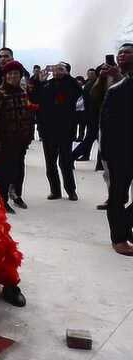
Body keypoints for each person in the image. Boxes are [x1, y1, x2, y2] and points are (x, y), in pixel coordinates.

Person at [0, 61, 34, 213]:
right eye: (10, 74)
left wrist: (27, 136)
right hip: (3, 140)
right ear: (5, 76)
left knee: (15, 170)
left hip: (18, 140)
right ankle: (0, 200)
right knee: (1, 172)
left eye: (16, 74)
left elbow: (26, 115)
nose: (13, 76)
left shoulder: (22, 92)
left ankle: (13, 196)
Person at [99, 43, 133, 256]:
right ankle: (119, 238)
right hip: (120, 152)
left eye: (126, 52)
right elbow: (106, 126)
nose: (122, 56)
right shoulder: (116, 90)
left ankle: (125, 224)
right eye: (121, 52)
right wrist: (107, 156)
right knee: (117, 196)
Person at [39, 62, 82, 201]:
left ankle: (71, 190)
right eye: (56, 69)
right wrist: (40, 82)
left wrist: (68, 77)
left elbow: (79, 95)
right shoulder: (47, 84)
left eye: (61, 69)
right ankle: (55, 190)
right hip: (48, 130)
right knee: (50, 163)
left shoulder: (72, 84)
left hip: (65, 129)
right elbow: (37, 99)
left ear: (67, 71)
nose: (57, 71)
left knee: (65, 162)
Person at [93, 62, 125, 210]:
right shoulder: (102, 81)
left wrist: (117, 76)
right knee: (108, 169)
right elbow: (92, 96)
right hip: (105, 128)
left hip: (124, 129)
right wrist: (101, 78)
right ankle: (113, 197)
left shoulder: (125, 79)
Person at [73, 68, 100, 161]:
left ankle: (76, 156)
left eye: (93, 74)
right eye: (89, 74)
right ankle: (80, 155)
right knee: (90, 138)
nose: (91, 76)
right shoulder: (87, 85)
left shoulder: (99, 84)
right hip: (90, 115)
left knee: (94, 139)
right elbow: (83, 101)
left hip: (98, 115)